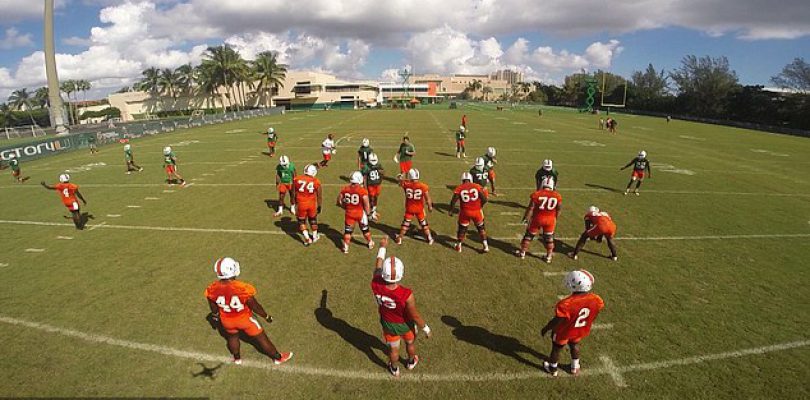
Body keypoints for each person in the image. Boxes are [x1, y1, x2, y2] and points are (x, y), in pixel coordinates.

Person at [204, 257, 293, 366]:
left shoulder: (211, 288)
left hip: (226, 320)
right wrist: (266, 316)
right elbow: (254, 306)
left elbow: (213, 307)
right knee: (261, 338)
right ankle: (277, 358)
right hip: (244, 319)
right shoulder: (242, 288)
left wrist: (215, 317)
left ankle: (237, 359)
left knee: (232, 338)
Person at [371, 237, 432, 377]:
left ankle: (394, 369)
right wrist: (426, 328)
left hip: (387, 323)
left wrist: (382, 247)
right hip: (404, 324)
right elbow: (414, 315)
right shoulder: (406, 294)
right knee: (410, 344)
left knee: (393, 350)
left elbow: (378, 267)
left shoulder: (375, 284)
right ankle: (411, 361)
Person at [540, 270, 604, 376]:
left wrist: (546, 328)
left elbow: (557, 320)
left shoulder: (566, 304)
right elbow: (595, 313)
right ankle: (575, 366)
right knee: (574, 345)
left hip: (564, 332)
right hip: (580, 329)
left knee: (556, 349)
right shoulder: (596, 299)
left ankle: (552, 368)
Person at [516, 177, 561, 263]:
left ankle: (522, 253)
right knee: (549, 238)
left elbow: (531, 208)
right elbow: (558, 209)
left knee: (529, 236)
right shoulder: (557, 196)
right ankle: (548, 256)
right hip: (551, 219)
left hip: (537, 218)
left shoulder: (537, 194)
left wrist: (525, 218)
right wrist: (555, 218)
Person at [448, 172, 489, 253]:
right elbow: (484, 199)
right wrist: (480, 206)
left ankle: (459, 246)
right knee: (481, 228)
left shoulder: (459, 188)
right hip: (477, 211)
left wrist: (451, 210)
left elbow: (453, 200)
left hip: (465, 212)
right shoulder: (476, 186)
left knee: (462, 229)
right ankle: (485, 246)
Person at [337, 171, 374, 253]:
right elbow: (366, 203)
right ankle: (370, 243)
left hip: (349, 213)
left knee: (348, 231)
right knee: (365, 230)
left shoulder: (345, 189)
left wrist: (345, 207)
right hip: (360, 213)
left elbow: (339, 201)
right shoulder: (362, 190)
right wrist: (369, 214)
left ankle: (346, 247)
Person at [395, 168, 433, 245]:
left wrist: (400, 178)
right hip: (419, 208)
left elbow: (399, 183)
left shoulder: (406, 184)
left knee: (405, 224)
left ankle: (400, 238)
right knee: (423, 224)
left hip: (409, 208)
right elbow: (427, 198)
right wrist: (430, 206)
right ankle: (430, 238)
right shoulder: (423, 186)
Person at [290, 164, 322, 246]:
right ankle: (314, 236)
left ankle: (307, 238)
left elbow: (293, 193)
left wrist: (293, 204)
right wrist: (319, 205)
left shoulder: (296, 179)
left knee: (301, 221)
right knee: (313, 219)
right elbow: (319, 195)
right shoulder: (316, 181)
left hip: (301, 203)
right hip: (311, 203)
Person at [361, 152, 384, 221]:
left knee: (376, 197)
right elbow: (364, 177)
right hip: (370, 185)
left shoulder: (378, 165)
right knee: (371, 198)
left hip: (377, 184)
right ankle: (370, 213)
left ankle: (374, 210)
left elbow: (383, 172)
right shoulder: (366, 167)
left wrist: (381, 173)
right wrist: (365, 186)